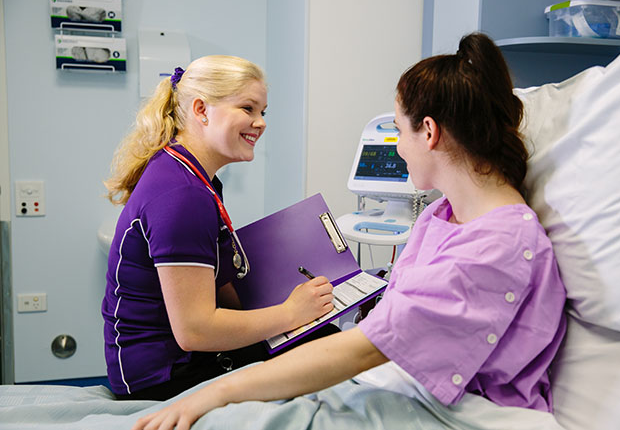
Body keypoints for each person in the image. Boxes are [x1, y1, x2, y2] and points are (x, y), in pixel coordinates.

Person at [132, 32, 567, 430]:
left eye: (398, 130)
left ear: (429, 132)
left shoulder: (500, 244)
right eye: (248, 108)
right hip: (398, 383)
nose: (397, 146)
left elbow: (366, 348)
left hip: (455, 409)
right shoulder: (445, 216)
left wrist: (219, 391)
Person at [101, 55, 337, 401]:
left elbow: (219, 283)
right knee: (329, 347)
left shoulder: (192, 175)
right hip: (162, 378)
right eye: (248, 108)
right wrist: (289, 313)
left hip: (168, 361)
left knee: (319, 334)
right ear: (201, 110)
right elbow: (194, 331)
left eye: (263, 112)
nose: (260, 122)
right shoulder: (182, 195)